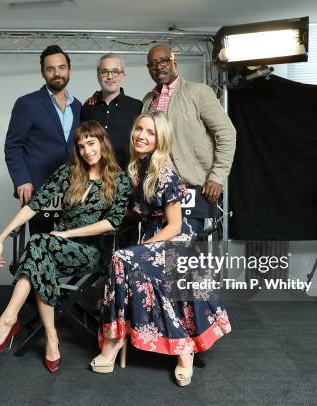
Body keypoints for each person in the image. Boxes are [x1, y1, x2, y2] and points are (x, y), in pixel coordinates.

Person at [0, 121, 132, 374]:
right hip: (54, 246)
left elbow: (111, 222)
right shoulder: (69, 172)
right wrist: (1, 237)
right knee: (40, 252)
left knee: (39, 245)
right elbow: (34, 205)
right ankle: (50, 336)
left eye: (91, 143)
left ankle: (8, 321)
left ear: (103, 143)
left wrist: (67, 233)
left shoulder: (119, 180)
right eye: (81, 146)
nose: (86, 151)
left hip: (90, 251)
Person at [90, 111, 231, 386]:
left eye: (150, 132)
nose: (141, 136)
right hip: (155, 239)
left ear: (161, 139)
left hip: (176, 243)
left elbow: (175, 226)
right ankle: (117, 338)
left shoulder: (165, 171)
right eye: (139, 129)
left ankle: (178, 349)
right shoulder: (137, 167)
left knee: (123, 258)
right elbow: (139, 212)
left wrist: (142, 249)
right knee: (124, 260)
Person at [144, 44, 236, 204]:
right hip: (156, 188)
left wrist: (217, 176)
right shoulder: (148, 99)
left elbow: (227, 133)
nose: (159, 67)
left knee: (185, 230)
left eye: (164, 61)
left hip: (191, 187)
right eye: (152, 64)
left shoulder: (199, 92)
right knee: (156, 231)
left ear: (175, 62)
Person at [4, 45, 82, 235]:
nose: (57, 73)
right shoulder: (27, 104)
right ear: (43, 73)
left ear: (69, 70)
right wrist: (22, 180)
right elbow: (13, 146)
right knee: (42, 251)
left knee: (70, 249)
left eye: (62, 67)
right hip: (39, 191)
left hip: (72, 192)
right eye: (50, 69)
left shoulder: (78, 106)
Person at [81, 53, 143, 170]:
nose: (110, 76)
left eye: (115, 71)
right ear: (98, 75)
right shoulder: (87, 108)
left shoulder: (137, 107)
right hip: (93, 177)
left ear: (123, 75)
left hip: (126, 177)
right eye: (104, 72)